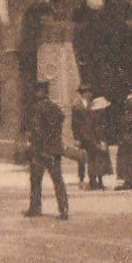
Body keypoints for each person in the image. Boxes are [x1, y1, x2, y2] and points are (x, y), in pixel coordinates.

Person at [22, 81, 69, 221]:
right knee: (58, 180)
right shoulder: (56, 108)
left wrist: (33, 142)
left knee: (36, 180)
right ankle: (64, 209)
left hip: (40, 149)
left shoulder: (36, 109)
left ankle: (35, 208)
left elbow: (35, 131)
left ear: (39, 92)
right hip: (54, 149)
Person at [70, 85, 97, 189]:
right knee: (81, 159)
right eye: (88, 92)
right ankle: (81, 179)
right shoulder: (77, 105)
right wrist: (76, 138)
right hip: (82, 136)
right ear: (84, 93)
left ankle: (92, 179)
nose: (90, 94)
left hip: (91, 135)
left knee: (92, 158)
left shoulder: (92, 104)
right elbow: (74, 124)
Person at [86, 96, 113, 190]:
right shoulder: (96, 118)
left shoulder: (100, 117)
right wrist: (99, 142)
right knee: (95, 162)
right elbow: (95, 131)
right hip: (96, 142)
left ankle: (98, 182)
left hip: (99, 141)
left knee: (99, 163)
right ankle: (94, 182)